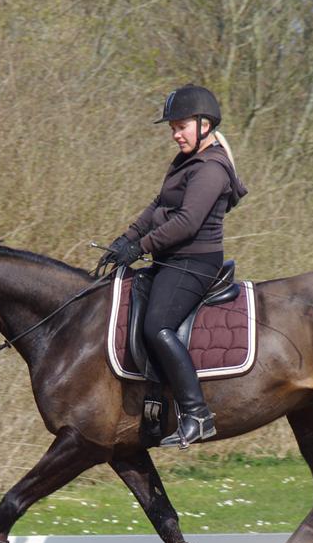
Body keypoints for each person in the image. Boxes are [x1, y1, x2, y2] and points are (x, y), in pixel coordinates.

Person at [99, 84, 246, 448]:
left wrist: (140, 247)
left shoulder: (211, 168)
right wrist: (124, 239)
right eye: (172, 129)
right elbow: (158, 206)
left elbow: (187, 222)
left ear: (205, 124)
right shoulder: (186, 162)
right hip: (172, 259)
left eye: (180, 127)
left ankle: (197, 413)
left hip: (194, 262)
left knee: (157, 326)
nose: (175, 134)